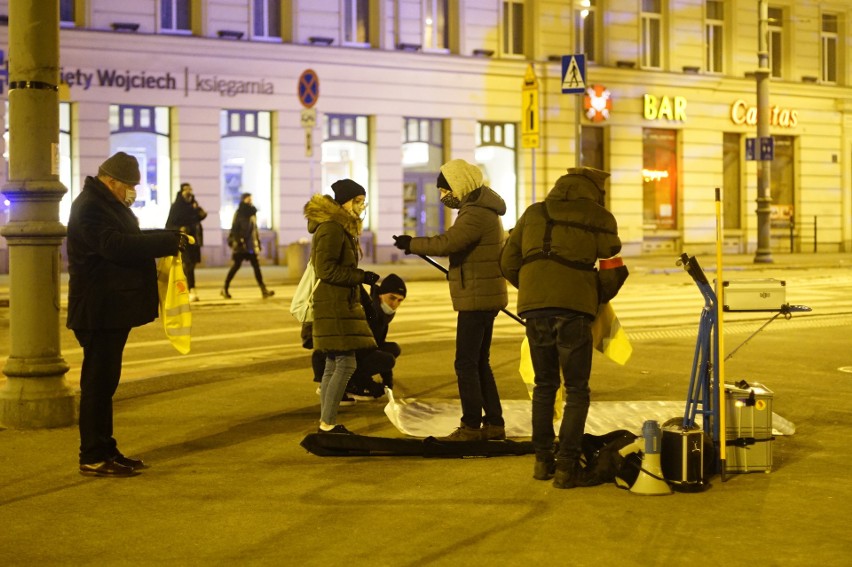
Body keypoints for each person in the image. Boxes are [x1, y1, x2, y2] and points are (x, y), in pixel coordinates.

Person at [499, 166, 626, 489]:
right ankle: (567, 467)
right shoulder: (598, 215)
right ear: (594, 192)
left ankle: (542, 462)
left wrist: (534, 290)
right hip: (574, 310)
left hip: (535, 309)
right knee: (576, 389)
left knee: (544, 387)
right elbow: (612, 257)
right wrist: (592, 290)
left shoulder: (533, 212)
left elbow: (507, 262)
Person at [66, 151, 183, 477]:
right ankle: (92, 455)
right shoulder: (90, 206)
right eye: (129, 184)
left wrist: (169, 238)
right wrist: (166, 242)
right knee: (97, 385)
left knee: (106, 384)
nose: (132, 190)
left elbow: (128, 238)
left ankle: (107, 449)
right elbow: (114, 246)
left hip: (110, 309)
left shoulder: (106, 204)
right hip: (97, 310)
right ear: (111, 180)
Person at [393, 159, 508, 442]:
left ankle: (471, 427)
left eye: (445, 190)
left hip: (477, 297)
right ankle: (493, 424)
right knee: (480, 362)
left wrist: (412, 244)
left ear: (459, 185)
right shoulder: (481, 208)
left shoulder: (476, 212)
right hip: (481, 295)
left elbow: (448, 243)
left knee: (466, 363)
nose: (443, 196)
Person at [305, 179, 380, 434]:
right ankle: (328, 423)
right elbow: (326, 269)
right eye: (358, 201)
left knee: (334, 363)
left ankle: (326, 422)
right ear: (346, 201)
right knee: (345, 364)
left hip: (337, 301)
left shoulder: (339, 227)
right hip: (334, 303)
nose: (361, 206)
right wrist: (361, 277)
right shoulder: (332, 228)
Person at [304, 273, 406, 401]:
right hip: (329, 359)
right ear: (381, 295)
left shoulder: (380, 314)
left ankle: (347, 383)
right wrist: (367, 384)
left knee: (392, 349)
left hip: (348, 353)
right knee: (386, 359)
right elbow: (356, 351)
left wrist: (387, 383)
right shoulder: (369, 312)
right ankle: (341, 386)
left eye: (400, 300)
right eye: (392, 298)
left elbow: (375, 345)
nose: (395, 304)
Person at [221, 193, 274, 299]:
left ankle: (263, 290)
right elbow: (234, 229)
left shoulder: (253, 213)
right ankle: (225, 288)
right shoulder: (239, 212)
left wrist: (258, 242)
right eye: (248, 199)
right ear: (243, 200)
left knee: (256, 267)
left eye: (251, 199)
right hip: (241, 245)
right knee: (236, 266)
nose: (250, 201)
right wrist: (238, 241)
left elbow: (255, 229)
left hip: (251, 245)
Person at [166, 182, 207, 302]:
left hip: (195, 239)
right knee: (187, 265)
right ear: (181, 192)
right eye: (186, 189)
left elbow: (198, 217)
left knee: (192, 264)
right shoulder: (177, 206)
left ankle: (186, 288)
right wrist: (180, 229)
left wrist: (199, 212)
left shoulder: (193, 204)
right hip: (184, 240)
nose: (189, 192)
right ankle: (189, 289)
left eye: (190, 189)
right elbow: (170, 224)